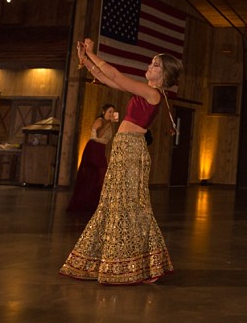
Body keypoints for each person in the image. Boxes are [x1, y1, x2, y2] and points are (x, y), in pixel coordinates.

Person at [60, 39, 182, 285]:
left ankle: (146, 264)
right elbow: (109, 79)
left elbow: (115, 74)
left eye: (155, 64)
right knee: (113, 204)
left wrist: (93, 54)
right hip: (122, 148)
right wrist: (85, 60)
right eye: (151, 62)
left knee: (131, 206)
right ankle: (120, 262)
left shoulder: (153, 93)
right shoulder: (144, 90)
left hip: (131, 149)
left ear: (164, 74)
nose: (150, 66)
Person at [66, 103, 117, 214]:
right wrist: (109, 124)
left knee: (99, 175)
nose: (111, 114)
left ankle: (94, 203)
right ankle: (88, 203)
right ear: (104, 112)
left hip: (100, 149)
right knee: (96, 174)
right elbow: (99, 135)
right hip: (94, 147)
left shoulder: (108, 123)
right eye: (110, 112)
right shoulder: (100, 121)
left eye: (113, 112)